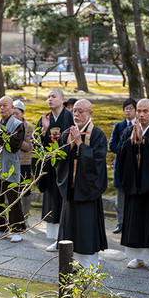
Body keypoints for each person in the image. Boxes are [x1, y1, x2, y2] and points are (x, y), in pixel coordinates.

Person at [117, 98, 149, 271]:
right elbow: (120, 153)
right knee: (133, 221)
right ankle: (137, 257)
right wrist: (131, 141)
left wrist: (145, 143)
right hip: (133, 183)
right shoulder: (127, 130)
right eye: (139, 111)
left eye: (145, 111)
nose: (141, 114)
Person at [55, 99, 108, 268]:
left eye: (81, 111)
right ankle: (70, 262)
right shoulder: (67, 132)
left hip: (88, 191)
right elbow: (58, 158)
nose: (76, 114)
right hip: (71, 190)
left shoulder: (98, 134)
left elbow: (98, 161)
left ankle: (89, 265)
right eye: (74, 111)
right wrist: (70, 145)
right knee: (70, 228)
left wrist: (80, 144)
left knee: (86, 228)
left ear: (90, 114)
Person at [36, 88, 74, 252]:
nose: (50, 99)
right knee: (53, 200)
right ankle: (57, 239)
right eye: (48, 97)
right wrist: (43, 132)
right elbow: (37, 144)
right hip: (51, 168)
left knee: (65, 201)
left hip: (66, 166)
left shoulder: (70, 117)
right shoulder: (44, 119)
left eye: (54, 96)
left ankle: (66, 237)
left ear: (62, 99)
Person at [0, 96, 27, 242]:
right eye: (0, 105)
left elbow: (15, 145)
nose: (2, 108)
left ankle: (17, 230)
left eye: (5, 105)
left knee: (13, 198)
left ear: (12, 108)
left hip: (9, 165)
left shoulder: (17, 124)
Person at [109, 98, 137, 234]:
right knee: (120, 198)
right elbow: (112, 145)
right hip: (120, 164)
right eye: (126, 108)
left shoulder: (140, 125)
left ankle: (132, 223)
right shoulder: (118, 126)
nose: (128, 111)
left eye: (131, 108)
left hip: (135, 166)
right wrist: (124, 150)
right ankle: (121, 223)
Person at [13, 99, 34, 220]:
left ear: (23, 113)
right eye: (13, 113)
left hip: (24, 163)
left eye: (18, 113)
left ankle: (25, 217)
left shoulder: (28, 127)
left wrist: (15, 141)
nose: (15, 116)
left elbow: (28, 146)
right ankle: (14, 216)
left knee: (25, 191)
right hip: (11, 163)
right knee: (12, 191)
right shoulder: (8, 125)